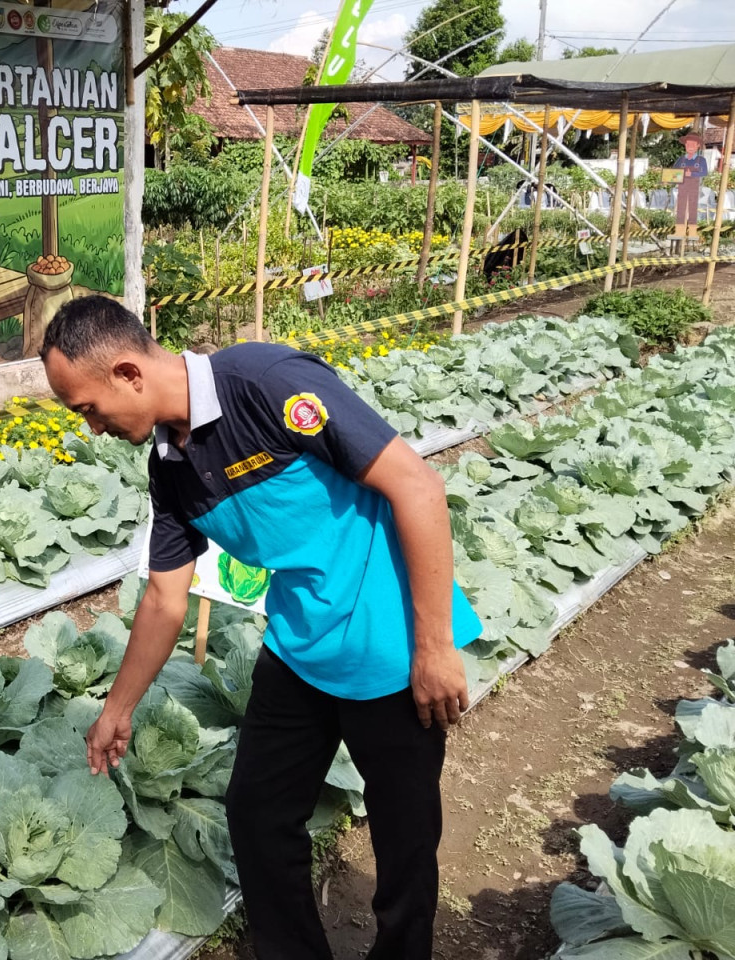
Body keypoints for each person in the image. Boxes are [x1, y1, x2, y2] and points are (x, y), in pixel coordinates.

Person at [40, 296, 483, 960]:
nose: (93, 428)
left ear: (127, 372)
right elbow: (165, 600)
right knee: (256, 815)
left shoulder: (265, 384)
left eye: (89, 409)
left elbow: (416, 486)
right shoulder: (171, 467)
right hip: (300, 649)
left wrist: (434, 646)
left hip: (389, 648)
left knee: (404, 842)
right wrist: (117, 709)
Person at [673, 131, 709, 239]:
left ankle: (692, 232)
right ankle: (679, 231)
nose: (690, 147)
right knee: (680, 208)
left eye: (693, 144)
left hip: (694, 187)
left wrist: (692, 174)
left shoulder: (701, 160)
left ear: (698, 145)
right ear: (685, 145)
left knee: (693, 208)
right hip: (682, 187)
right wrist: (668, 179)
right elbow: (673, 172)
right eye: (688, 144)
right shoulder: (681, 159)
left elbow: (704, 172)